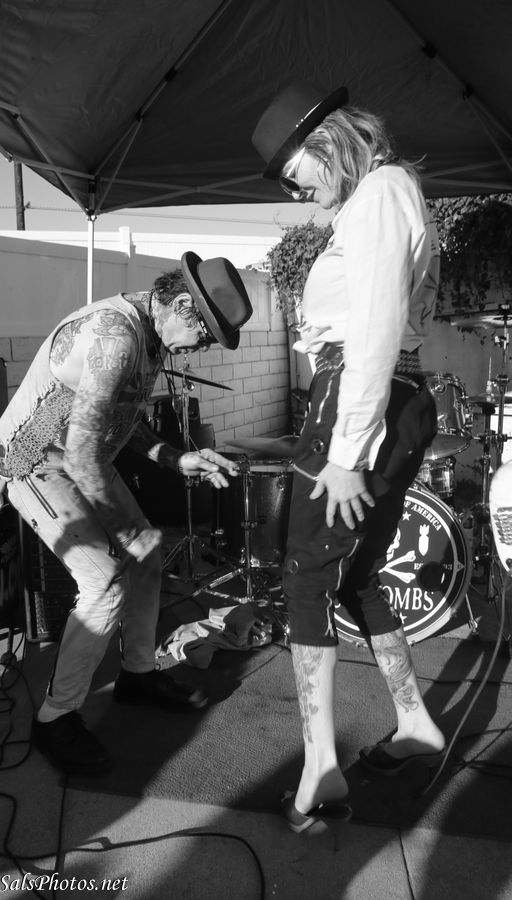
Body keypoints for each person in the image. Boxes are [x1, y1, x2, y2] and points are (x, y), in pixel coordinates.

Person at [252, 83, 444, 838]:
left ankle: (320, 771)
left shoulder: (380, 194)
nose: (293, 187)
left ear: (324, 142)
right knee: (355, 574)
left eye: (291, 170)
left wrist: (346, 450)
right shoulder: (381, 198)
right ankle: (413, 721)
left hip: (360, 401)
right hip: (387, 400)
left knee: (306, 576)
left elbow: (374, 325)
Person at [0, 252, 252, 775]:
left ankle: (138, 674)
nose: (201, 348)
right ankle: (55, 718)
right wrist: (125, 531)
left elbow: (122, 418)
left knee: (146, 554)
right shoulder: (117, 337)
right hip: (35, 463)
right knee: (105, 582)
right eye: (204, 335)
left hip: (81, 460)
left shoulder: (150, 332)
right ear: (181, 305)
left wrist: (176, 458)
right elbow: (81, 457)